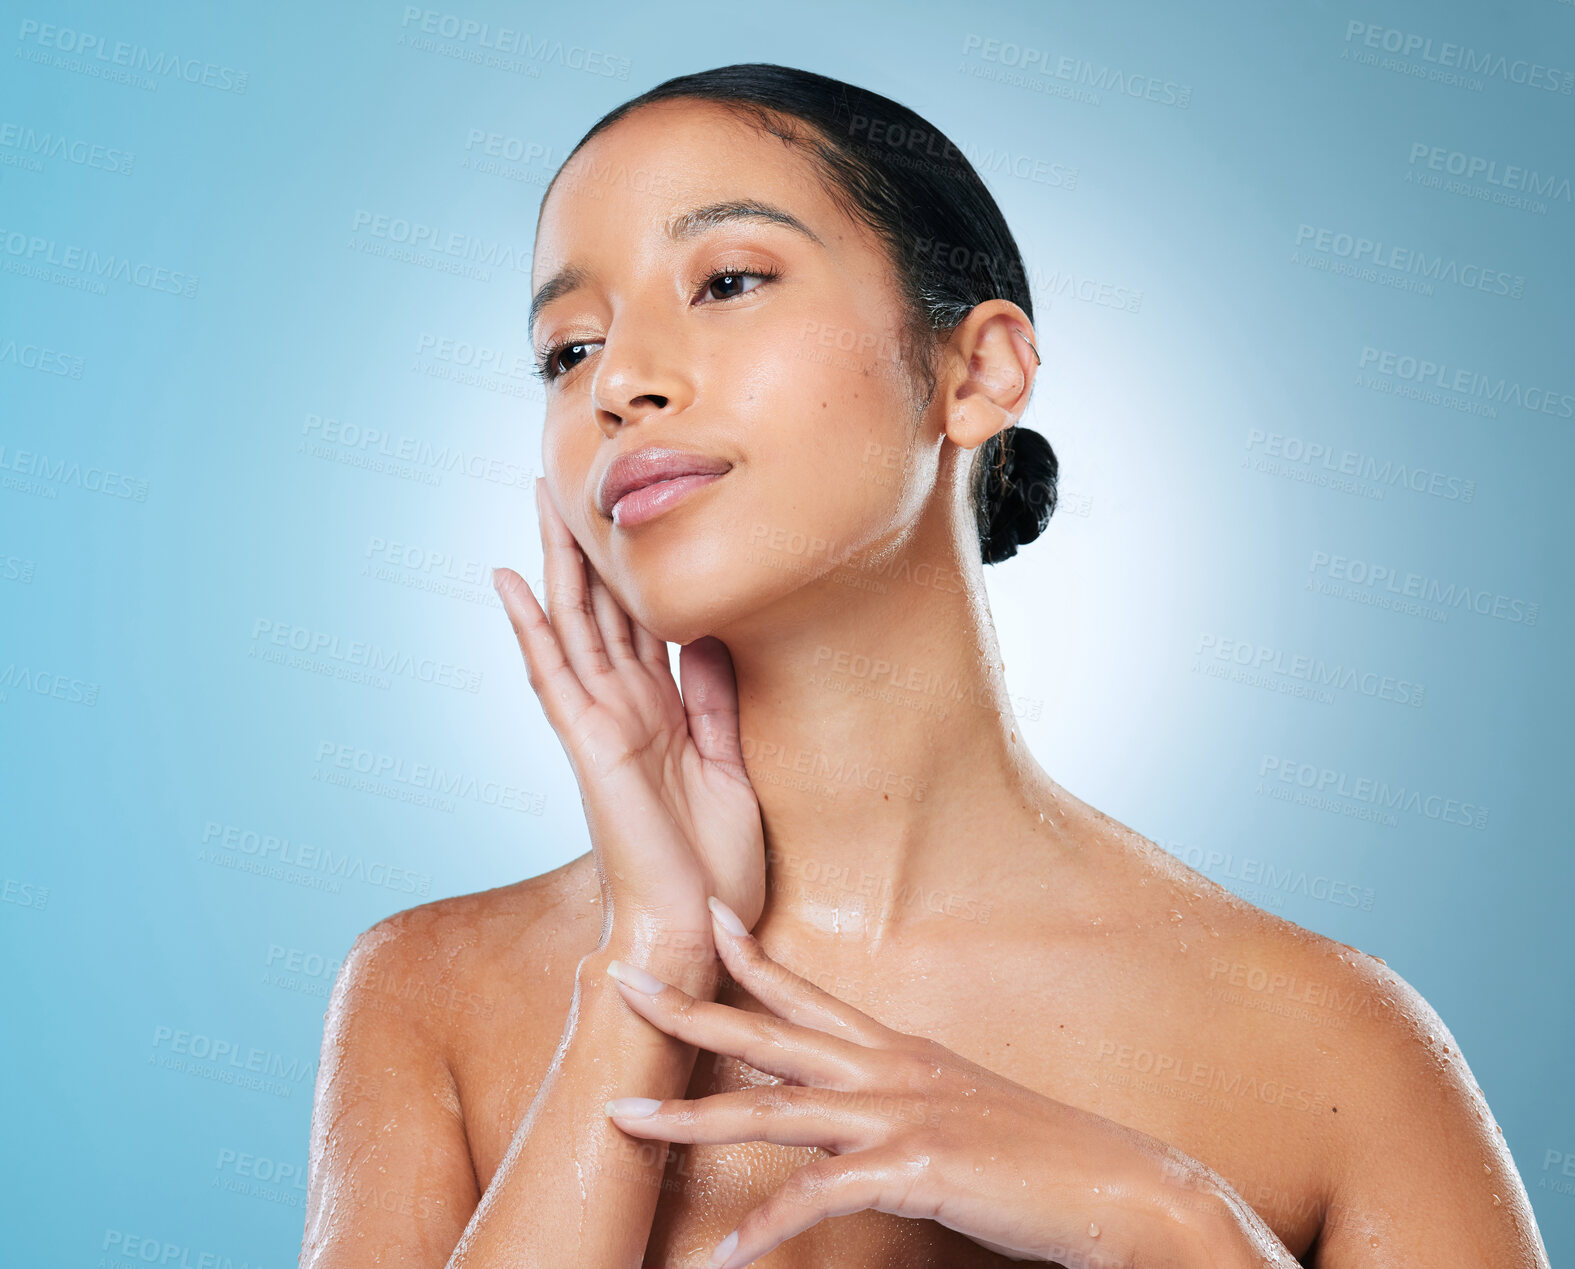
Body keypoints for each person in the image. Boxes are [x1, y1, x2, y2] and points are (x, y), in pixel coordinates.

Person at [300, 64, 1549, 1269]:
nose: (619, 384)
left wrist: (1177, 1225)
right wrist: (650, 969)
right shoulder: (431, 995)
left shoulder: (1331, 1047)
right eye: (569, 351)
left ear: (975, 370)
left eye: (728, 279)